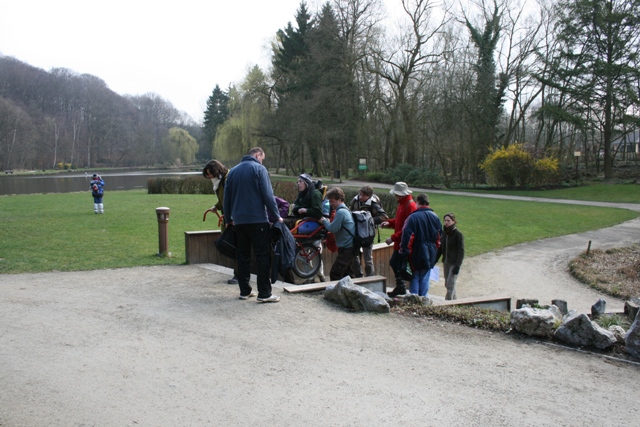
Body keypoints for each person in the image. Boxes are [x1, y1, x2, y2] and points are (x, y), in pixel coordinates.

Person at [223, 147, 283, 303]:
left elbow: (226, 198)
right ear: (257, 155)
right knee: (262, 255)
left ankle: (245, 291)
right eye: (262, 157)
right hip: (257, 220)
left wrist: (228, 219)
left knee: (242, 256)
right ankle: (264, 293)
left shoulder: (233, 172)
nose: (262, 161)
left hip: (239, 222)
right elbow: (268, 196)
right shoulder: (259, 169)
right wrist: (276, 216)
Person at [284, 173, 326, 283]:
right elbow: (296, 208)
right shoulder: (302, 194)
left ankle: (320, 276)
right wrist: (296, 208)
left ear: (306, 183)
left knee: (314, 252)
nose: (298, 183)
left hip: (312, 225)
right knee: (306, 252)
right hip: (302, 224)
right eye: (297, 182)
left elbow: (317, 212)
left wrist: (305, 210)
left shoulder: (315, 194)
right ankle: (311, 277)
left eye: (300, 181)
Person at [202, 159, 238, 285]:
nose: (209, 176)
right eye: (208, 174)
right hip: (228, 217)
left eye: (210, 173)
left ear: (216, 171)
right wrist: (216, 206)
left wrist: (230, 218)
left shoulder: (227, 179)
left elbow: (231, 198)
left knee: (234, 245)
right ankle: (237, 274)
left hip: (232, 219)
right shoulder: (220, 181)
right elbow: (224, 199)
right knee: (232, 245)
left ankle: (238, 275)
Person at [400, 193, 442, 297]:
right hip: (431, 252)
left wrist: (405, 252)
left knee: (415, 277)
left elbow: (407, 237)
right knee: (425, 277)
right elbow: (439, 237)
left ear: (417, 202)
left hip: (417, 251)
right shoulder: (435, 217)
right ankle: (424, 299)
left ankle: (415, 300)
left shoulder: (413, 217)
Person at [381, 182, 417, 297]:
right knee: (395, 263)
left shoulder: (410, 206)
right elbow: (399, 221)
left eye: (397, 194)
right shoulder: (402, 204)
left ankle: (402, 287)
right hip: (399, 242)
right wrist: (389, 223)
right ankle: (400, 286)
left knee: (398, 264)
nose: (395, 196)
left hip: (404, 242)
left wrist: (392, 238)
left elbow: (408, 229)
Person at [349, 185, 388, 277]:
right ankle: (358, 275)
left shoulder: (373, 204)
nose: (361, 197)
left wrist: (369, 221)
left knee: (368, 257)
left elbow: (384, 217)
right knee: (354, 255)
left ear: (369, 196)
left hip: (368, 234)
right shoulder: (355, 201)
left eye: (363, 195)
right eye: (360, 194)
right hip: (356, 233)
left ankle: (370, 276)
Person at [318, 187, 357, 281]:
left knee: (335, 273)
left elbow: (333, 228)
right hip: (349, 247)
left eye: (332, 201)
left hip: (347, 249)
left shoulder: (341, 212)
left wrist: (324, 221)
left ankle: (336, 294)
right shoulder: (345, 210)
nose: (331, 204)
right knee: (348, 274)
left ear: (339, 200)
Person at [436, 212, 465, 300]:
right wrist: (434, 260)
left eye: (448, 220)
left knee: (450, 284)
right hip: (446, 262)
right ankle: (455, 302)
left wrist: (458, 265)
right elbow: (440, 248)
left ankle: (447, 303)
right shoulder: (444, 233)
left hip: (454, 263)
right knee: (447, 284)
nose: (446, 222)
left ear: (453, 221)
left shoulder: (458, 234)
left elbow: (461, 251)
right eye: (445, 220)